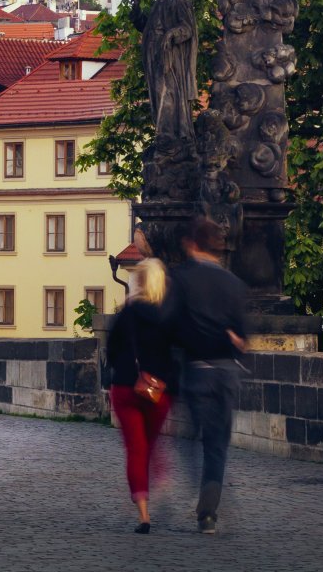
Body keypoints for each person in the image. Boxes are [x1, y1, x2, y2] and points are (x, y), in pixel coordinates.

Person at [171, 216, 250, 535]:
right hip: (227, 373)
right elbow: (242, 338)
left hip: (196, 371)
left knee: (190, 440)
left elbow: (170, 326)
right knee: (216, 445)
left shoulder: (179, 279)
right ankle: (208, 511)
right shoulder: (233, 283)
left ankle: (203, 496)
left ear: (191, 244)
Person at [104, 257, 176, 533]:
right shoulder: (166, 316)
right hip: (158, 391)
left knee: (136, 448)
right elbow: (173, 356)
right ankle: (162, 480)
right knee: (151, 444)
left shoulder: (127, 313)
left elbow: (110, 352)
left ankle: (144, 513)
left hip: (125, 387)